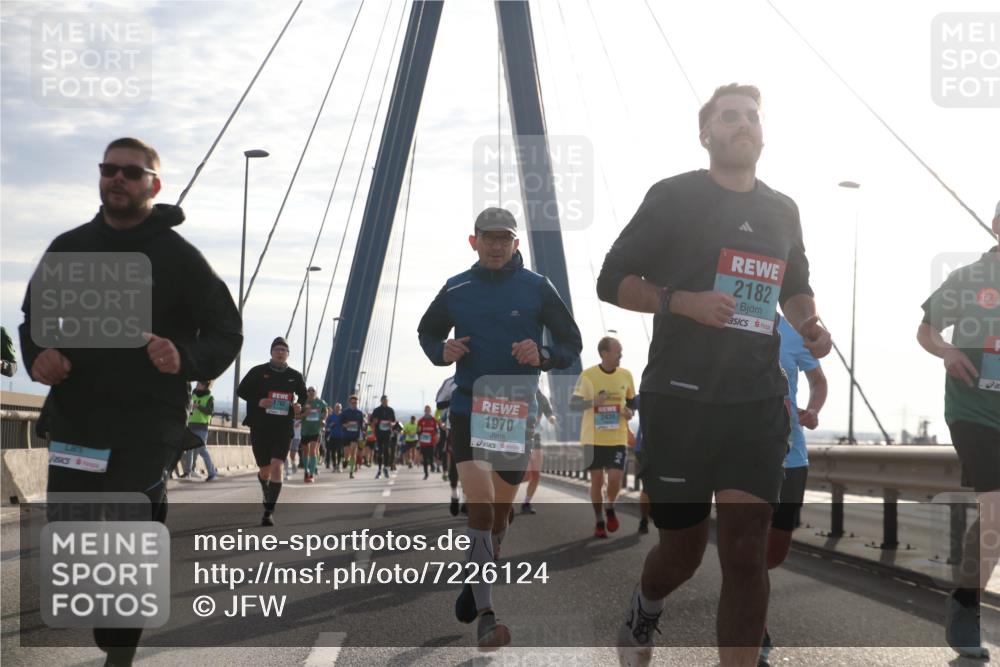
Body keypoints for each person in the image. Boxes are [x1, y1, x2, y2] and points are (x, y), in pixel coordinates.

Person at [596, 84, 831, 667]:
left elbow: (795, 285)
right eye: (730, 117)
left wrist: (809, 322)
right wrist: (683, 302)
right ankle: (646, 605)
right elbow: (612, 279)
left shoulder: (783, 209)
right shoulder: (673, 196)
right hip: (680, 399)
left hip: (756, 399)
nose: (743, 124)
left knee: (747, 553)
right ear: (706, 134)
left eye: (752, 116)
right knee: (681, 553)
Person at [18, 137, 242, 666]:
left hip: (148, 421)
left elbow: (226, 333)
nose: (117, 178)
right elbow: (33, 322)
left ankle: (120, 649)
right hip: (78, 416)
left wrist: (183, 356)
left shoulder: (180, 258)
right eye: (109, 169)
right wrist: (40, 356)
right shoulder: (69, 247)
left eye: (131, 172)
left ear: (153, 185)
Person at [418, 206, 582, 650]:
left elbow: (571, 343)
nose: (495, 245)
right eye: (488, 237)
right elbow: (427, 333)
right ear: (473, 242)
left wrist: (543, 355)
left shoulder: (537, 287)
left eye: (503, 238)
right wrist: (441, 350)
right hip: (469, 407)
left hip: (515, 414)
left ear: (516, 243)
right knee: (483, 509)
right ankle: (487, 617)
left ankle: (476, 580)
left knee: (501, 515)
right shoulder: (456, 288)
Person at [917, 200, 999, 660]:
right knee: (997, 508)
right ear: (997, 224)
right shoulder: (970, 278)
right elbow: (926, 330)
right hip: (974, 411)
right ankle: (967, 607)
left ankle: (965, 597)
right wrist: (947, 351)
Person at [759, 315, 827, 664]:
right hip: (745, 454)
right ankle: (754, 625)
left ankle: (745, 585)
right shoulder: (731, 320)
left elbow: (819, 381)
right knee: (749, 547)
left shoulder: (795, 332)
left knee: (775, 553)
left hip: (792, 455)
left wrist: (812, 410)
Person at [570, 337, 637, 537]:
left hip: (617, 438)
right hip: (592, 439)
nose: (621, 355)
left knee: (615, 479)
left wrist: (630, 412)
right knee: (597, 481)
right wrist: (593, 402)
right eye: (618, 352)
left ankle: (610, 506)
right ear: (604, 353)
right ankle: (599, 520)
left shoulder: (626, 375)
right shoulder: (587, 375)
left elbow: (632, 402)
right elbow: (574, 405)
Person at [237, 337, 307, 526]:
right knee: (265, 470)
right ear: (271, 352)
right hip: (260, 426)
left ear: (288, 354)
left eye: (284, 350)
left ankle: (269, 511)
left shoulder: (295, 375)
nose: (280, 352)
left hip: (283, 427)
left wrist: (299, 405)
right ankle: (264, 484)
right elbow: (241, 391)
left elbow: (303, 395)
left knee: (277, 466)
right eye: (277, 349)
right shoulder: (258, 371)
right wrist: (259, 401)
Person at [521, 389, 556, 514]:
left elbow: (549, 412)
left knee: (535, 475)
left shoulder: (541, 397)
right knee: (524, 475)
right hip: (517, 438)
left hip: (535, 437)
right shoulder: (517, 391)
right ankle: (502, 494)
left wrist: (551, 418)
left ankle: (527, 503)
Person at [185, 380, 219, 481]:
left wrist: (198, 406)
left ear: (204, 386)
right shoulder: (193, 395)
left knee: (202, 450)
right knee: (188, 450)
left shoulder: (209, 398)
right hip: (191, 425)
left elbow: (210, 412)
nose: (196, 384)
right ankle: (187, 472)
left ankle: (212, 472)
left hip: (202, 427)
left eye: (199, 383)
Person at [631, 394, 651, 534]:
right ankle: (644, 519)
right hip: (646, 448)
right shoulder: (643, 396)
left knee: (648, 487)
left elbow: (625, 407)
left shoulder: (644, 394)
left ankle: (644, 521)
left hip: (643, 447)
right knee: (648, 487)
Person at [300, 386, 328, 483]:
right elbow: (297, 414)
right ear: (307, 393)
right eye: (309, 391)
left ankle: (311, 474)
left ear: (316, 392)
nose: (311, 392)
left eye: (313, 391)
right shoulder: (303, 402)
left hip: (316, 430)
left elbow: (325, 411)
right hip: (305, 430)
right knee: (305, 452)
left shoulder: (320, 402)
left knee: (313, 451)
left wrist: (324, 419)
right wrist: (304, 414)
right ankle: (306, 471)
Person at [339, 395, 366, 478]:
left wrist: (362, 433)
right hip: (346, 435)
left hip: (355, 435)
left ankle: (351, 472)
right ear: (349, 403)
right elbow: (341, 423)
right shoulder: (345, 412)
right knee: (346, 453)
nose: (354, 404)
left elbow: (362, 425)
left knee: (353, 452)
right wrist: (346, 425)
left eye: (356, 403)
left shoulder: (359, 413)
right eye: (352, 403)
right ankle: (346, 460)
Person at [370, 396, 396, 479]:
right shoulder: (376, 410)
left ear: (388, 401)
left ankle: (386, 467)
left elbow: (394, 421)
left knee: (386, 450)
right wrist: (374, 423)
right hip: (379, 433)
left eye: (386, 400)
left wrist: (391, 424)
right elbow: (371, 421)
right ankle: (379, 469)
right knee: (380, 451)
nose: (385, 402)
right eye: (383, 400)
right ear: (381, 401)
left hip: (387, 433)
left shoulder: (390, 410)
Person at [416, 406, 439, 479]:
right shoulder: (420, 421)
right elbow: (418, 431)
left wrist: (436, 438)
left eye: (428, 410)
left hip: (431, 442)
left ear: (430, 411)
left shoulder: (434, 420)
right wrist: (419, 432)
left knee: (431, 456)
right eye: (426, 410)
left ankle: (432, 465)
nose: (427, 411)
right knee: (425, 458)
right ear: (424, 411)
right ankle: (426, 473)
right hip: (423, 443)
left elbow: (436, 431)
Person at [324, 402, 345, 471]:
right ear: (334, 408)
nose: (337, 408)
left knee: (339, 451)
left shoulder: (343, 416)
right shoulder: (331, 416)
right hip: (332, 436)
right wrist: (330, 425)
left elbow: (346, 424)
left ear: (341, 408)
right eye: (336, 407)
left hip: (341, 436)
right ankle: (334, 465)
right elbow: (326, 426)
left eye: (339, 407)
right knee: (333, 452)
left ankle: (338, 465)